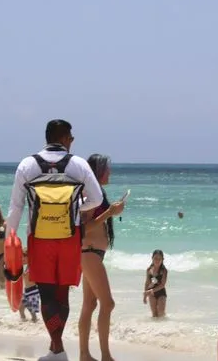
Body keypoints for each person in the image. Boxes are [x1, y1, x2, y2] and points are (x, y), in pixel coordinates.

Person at [5, 119, 103, 361]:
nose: (72, 141)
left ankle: (57, 349)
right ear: (64, 138)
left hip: (39, 238)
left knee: (47, 295)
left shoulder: (27, 165)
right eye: (71, 137)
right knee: (63, 295)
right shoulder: (78, 164)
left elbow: (16, 207)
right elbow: (97, 199)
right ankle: (56, 349)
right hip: (70, 237)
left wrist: (11, 242)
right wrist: (76, 207)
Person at [78, 154, 125, 361]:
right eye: (107, 169)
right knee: (108, 303)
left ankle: (84, 355)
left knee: (90, 305)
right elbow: (84, 229)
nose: (110, 172)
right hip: (88, 252)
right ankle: (105, 356)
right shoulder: (89, 194)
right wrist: (109, 213)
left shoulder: (96, 192)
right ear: (98, 171)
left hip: (92, 253)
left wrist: (111, 211)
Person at [143, 249, 168, 318]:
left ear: (162, 259)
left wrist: (151, 291)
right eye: (155, 258)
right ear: (152, 258)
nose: (157, 260)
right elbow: (147, 282)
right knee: (154, 314)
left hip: (161, 293)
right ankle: (154, 328)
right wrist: (145, 296)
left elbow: (162, 285)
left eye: (159, 259)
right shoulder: (149, 270)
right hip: (151, 294)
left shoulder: (164, 271)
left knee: (161, 313)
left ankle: (164, 326)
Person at [19, 248, 40, 322]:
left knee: (32, 311)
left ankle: (33, 323)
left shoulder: (33, 267)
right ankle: (23, 321)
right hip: (27, 291)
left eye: (24, 256)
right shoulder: (27, 267)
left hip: (33, 291)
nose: (22, 258)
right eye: (21, 256)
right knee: (21, 308)